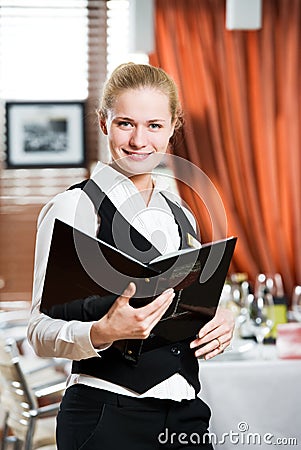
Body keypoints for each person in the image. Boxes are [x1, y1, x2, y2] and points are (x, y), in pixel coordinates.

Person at [27, 63, 234, 450]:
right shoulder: (75, 208)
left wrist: (218, 319)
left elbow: (183, 307)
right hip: (106, 417)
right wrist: (103, 332)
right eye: (126, 123)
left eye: (154, 125)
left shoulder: (182, 215)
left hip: (186, 415)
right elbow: (39, 331)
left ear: (174, 127)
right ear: (104, 123)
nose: (140, 140)